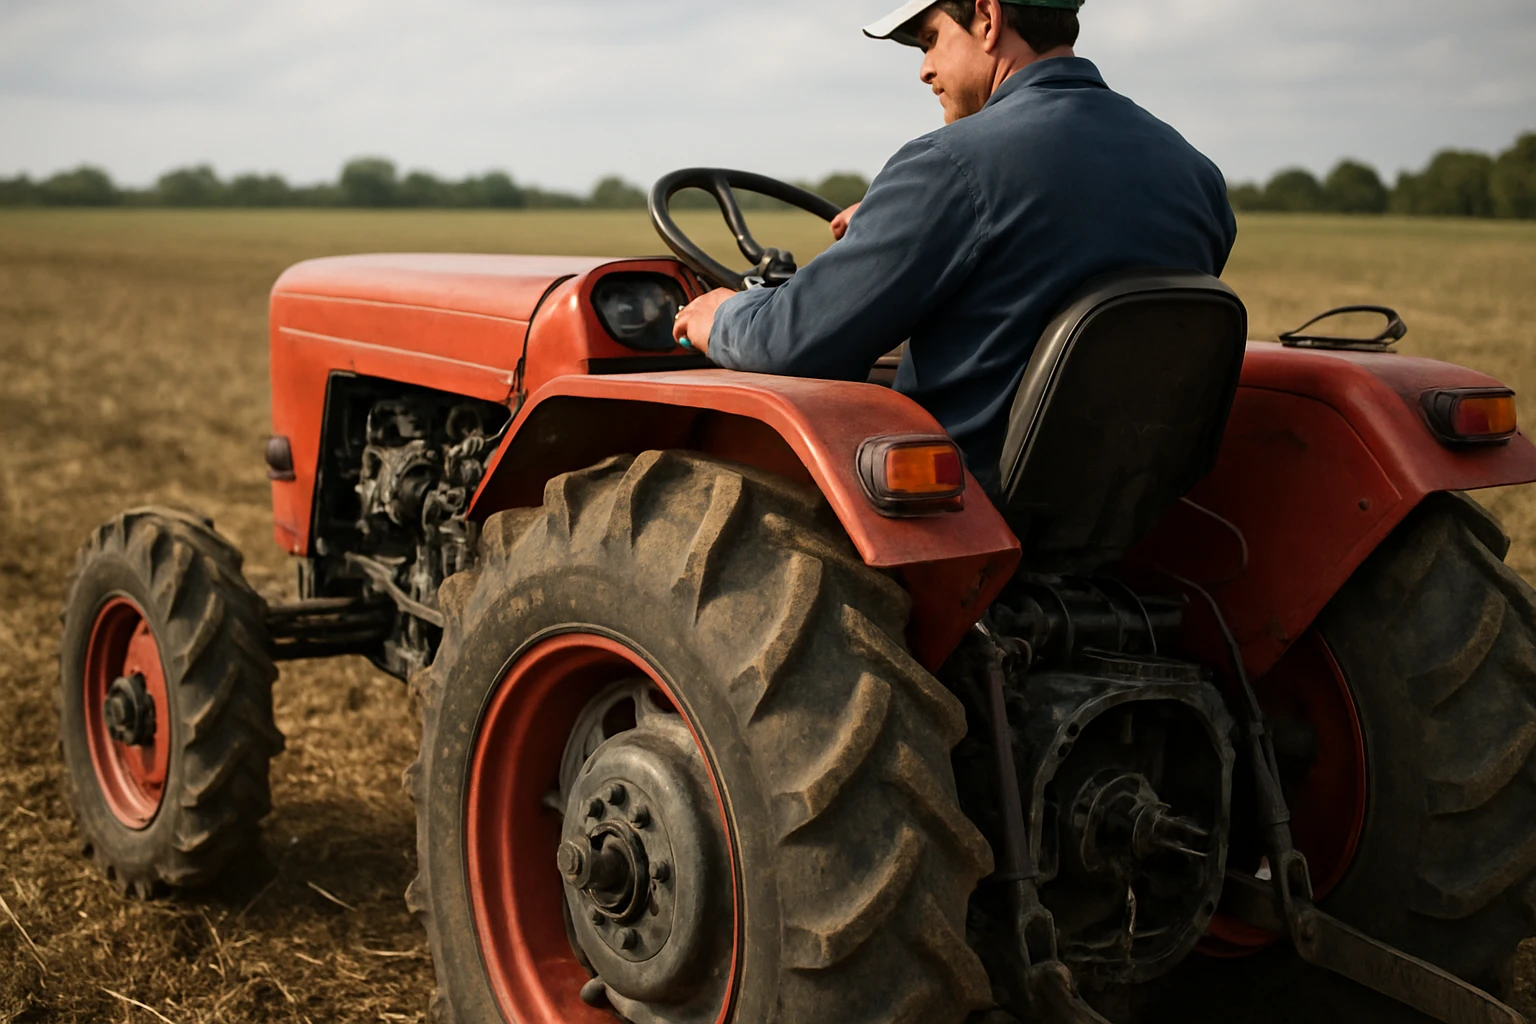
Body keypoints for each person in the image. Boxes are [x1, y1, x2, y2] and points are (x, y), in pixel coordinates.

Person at [671, 0, 1238, 492]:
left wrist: (723, 314)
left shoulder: (950, 164)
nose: (925, 70)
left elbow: (789, 346)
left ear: (987, 18)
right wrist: (895, 221)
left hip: (963, 501)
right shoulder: (1194, 173)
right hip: (1117, 498)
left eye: (931, 40)